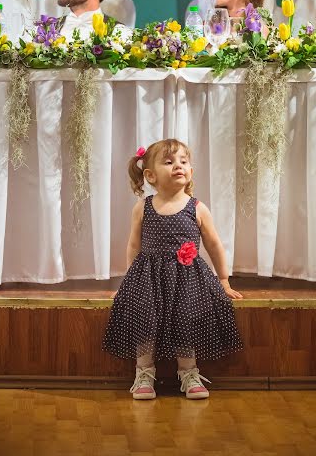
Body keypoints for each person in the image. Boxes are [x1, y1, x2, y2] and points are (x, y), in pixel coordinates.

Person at [102, 139, 243, 400]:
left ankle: (188, 372)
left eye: (183, 161)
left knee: (186, 318)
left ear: (190, 171)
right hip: (149, 278)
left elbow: (214, 245)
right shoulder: (143, 206)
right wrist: (128, 284)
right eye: (169, 162)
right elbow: (133, 245)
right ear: (150, 175)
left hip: (188, 279)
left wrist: (223, 280)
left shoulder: (197, 207)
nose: (178, 165)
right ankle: (144, 372)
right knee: (145, 319)